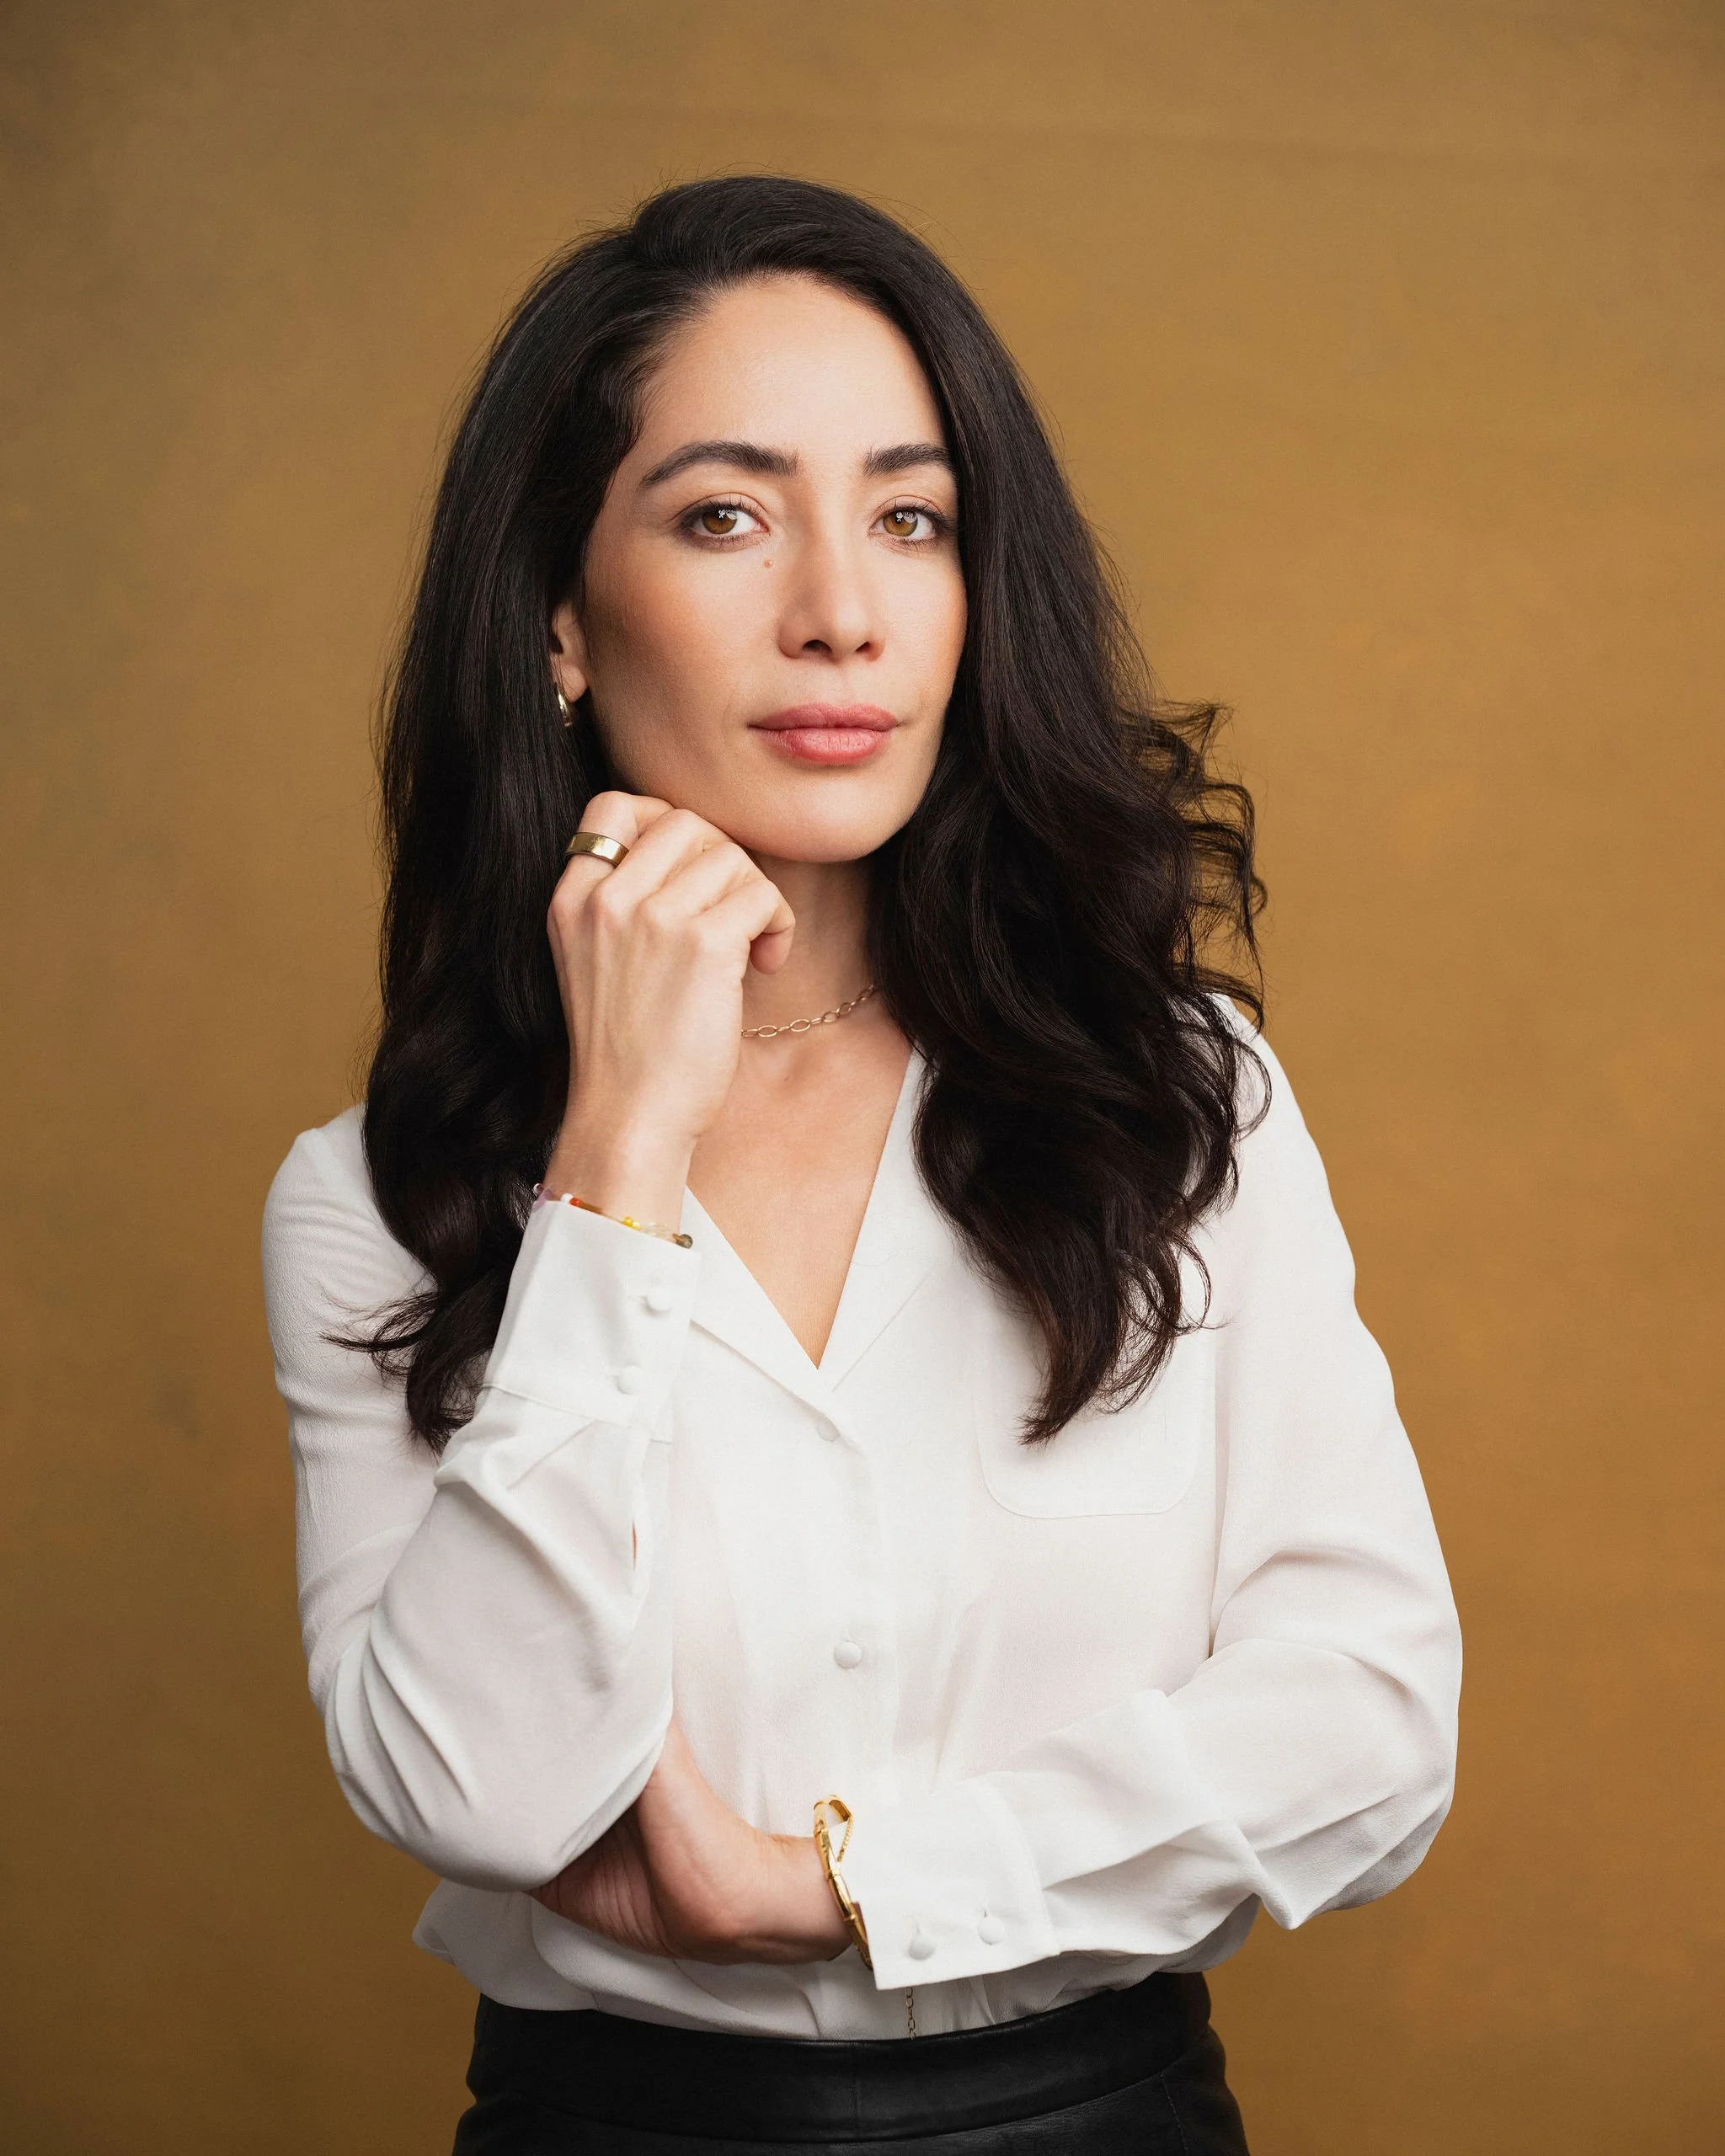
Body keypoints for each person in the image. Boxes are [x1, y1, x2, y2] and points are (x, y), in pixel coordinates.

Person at [261, 175, 1461, 2155]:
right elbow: (470, 1785)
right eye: (725, 514)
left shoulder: (1178, 1101)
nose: (842, 605)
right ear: (562, 614)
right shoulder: (373, 1196)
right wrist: (617, 1150)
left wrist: (836, 1881)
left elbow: (1366, 1727)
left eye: (912, 516)